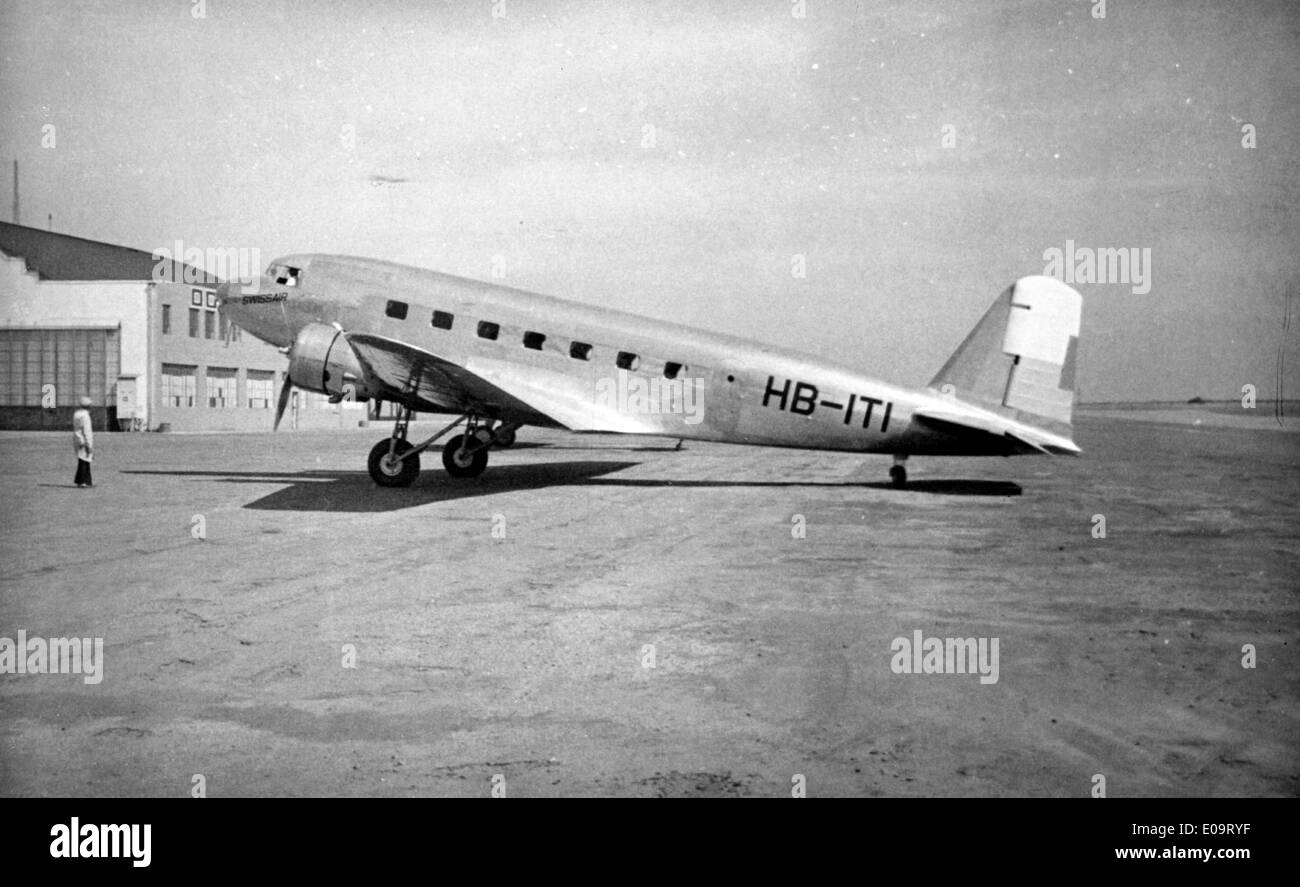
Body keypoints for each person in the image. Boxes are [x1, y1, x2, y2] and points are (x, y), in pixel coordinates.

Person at [73, 396, 94, 488]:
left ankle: (86, 481)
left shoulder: (76, 414)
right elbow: (86, 431)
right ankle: (82, 481)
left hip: (77, 439)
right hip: (84, 440)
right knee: (84, 461)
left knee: (83, 460)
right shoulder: (85, 416)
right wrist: (88, 444)